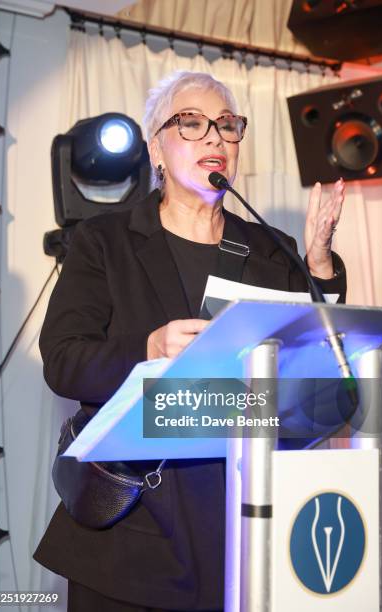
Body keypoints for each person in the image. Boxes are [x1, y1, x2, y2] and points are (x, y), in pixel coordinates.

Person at [34, 71, 346, 612]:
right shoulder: (104, 242)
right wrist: (147, 350)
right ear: (156, 146)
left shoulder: (274, 250)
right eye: (192, 123)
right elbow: (63, 360)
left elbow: (313, 364)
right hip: (132, 534)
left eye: (226, 126)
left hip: (246, 526)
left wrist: (317, 262)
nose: (215, 138)